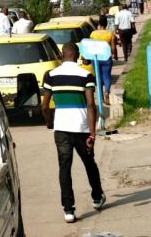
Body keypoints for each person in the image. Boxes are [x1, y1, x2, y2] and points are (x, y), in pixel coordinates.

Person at [41, 42, 105, 223]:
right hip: (82, 129)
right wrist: (93, 134)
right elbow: (91, 105)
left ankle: (69, 210)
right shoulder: (86, 75)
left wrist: (49, 122)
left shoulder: (51, 76)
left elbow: (45, 106)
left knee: (64, 168)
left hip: (61, 129)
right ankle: (97, 197)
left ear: (62, 55)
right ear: (76, 56)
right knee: (89, 163)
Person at [89, 16, 115, 105]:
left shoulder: (93, 34)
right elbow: (113, 48)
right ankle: (107, 91)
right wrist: (114, 54)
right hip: (106, 57)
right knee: (107, 76)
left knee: (98, 77)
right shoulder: (110, 34)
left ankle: (100, 97)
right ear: (106, 24)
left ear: (99, 24)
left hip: (95, 58)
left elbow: (91, 46)